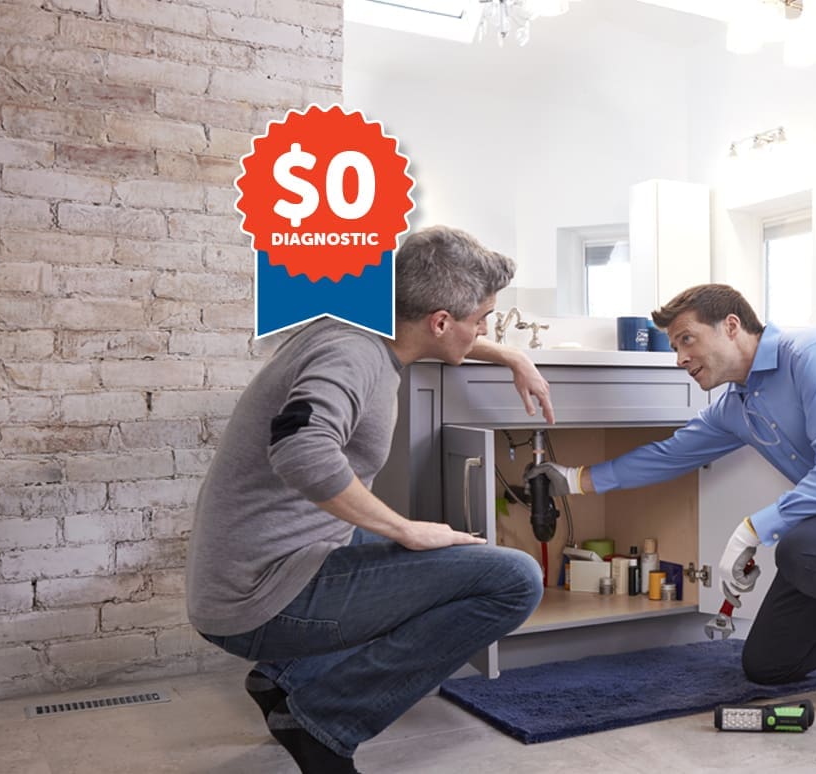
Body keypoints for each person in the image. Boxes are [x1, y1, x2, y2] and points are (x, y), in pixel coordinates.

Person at [187, 226, 556, 773]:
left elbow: (443, 329)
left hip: (253, 572)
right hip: (260, 595)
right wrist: (404, 529)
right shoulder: (353, 355)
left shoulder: (361, 325)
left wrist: (505, 353)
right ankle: (324, 725)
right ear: (439, 321)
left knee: (436, 561)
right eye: (481, 319)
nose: (480, 329)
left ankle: (284, 678)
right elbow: (301, 450)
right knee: (512, 580)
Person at [540, 284, 816, 720]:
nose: (680, 358)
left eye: (687, 339)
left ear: (731, 326)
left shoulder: (815, 355)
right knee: (769, 664)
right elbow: (670, 454)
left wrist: (753, 529)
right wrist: (575, 480)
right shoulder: (737, 406)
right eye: (674, 347)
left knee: (801, 548)